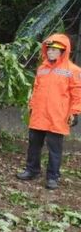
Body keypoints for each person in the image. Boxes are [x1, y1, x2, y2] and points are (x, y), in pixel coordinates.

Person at [16, 33, 81, 190]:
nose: (50, 52)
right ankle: (32, 170)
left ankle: (53, 177)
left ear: (63, 51)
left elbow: (77, 93)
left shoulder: (73, 70)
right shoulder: (42, 69)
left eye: (54, 50)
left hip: (57, 116)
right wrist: (32, 106)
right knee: (33, 145)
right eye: (49, 49)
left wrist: (75, 112)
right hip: (39, 114)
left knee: (55, 148)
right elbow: (36, 89)